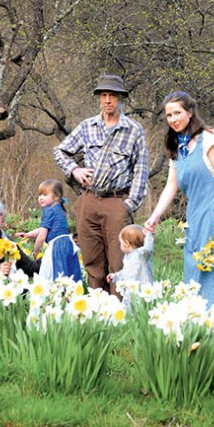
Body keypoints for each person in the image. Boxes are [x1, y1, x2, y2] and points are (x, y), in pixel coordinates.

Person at [144, 91, 214, 312]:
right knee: (196, 262)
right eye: (169, 115)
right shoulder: (177, 147)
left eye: (177, 113)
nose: (173, 119)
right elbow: (172, 186)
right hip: (197, 213)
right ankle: (198, 316)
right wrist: (155, 216)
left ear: (190, 113)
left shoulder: (208, 137)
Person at [54, 75, 149, 295]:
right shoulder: (87, 126)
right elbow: (60, 151)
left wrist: (129, 204)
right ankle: (97, 309)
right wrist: (74, 170)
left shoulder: (133, 130)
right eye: (104, 95)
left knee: (119, 261)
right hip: (89, 199)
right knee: (92, 259)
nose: (107, 100)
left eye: (112, 96)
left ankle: (118, 311)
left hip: (118, 200)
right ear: (99, 98)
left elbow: (141, 171)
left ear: (120, 98)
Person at [15, 180, 81, 282]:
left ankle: (58, 295)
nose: (41, 198)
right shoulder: (59, 209)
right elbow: (43, 229)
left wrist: (36, 250)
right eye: (40, 195)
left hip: (57, 246)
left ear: (56, 197)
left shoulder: (49, 210)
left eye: (45, 195)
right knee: (69, 273)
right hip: (68, 244)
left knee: (57, 274)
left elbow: (42, 236)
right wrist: (28, 234)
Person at [106, 224, 154, 311]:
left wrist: (149, 236)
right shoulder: (128, 257)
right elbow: (126, 273)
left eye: (121, 242)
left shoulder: (141, 254)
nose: (120, 245)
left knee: (142, 312)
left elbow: (148, 249)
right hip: (130, 291)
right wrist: (115, 276)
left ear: (127, 244)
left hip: (142, 291)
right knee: (129, 312)